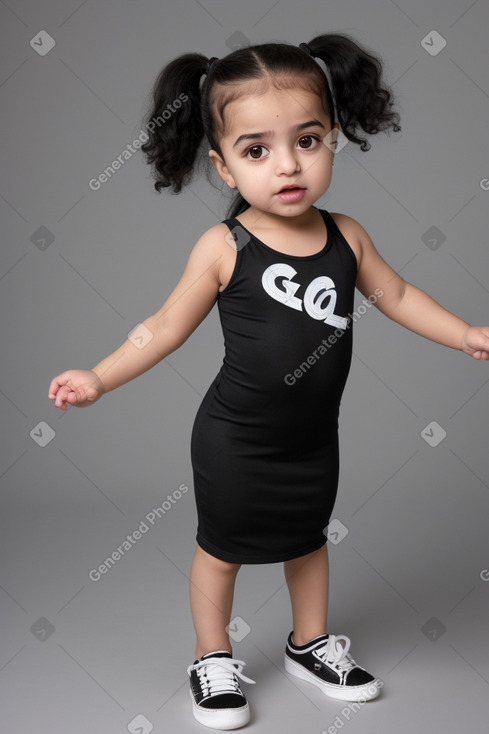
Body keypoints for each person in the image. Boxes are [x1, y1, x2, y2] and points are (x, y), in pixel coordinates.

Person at [48, 33, 489, 731]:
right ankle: (210, 656)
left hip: (312, 438)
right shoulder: (225, 247)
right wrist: (98, 377)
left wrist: (464, 331)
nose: (287, 165)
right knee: (221, 551)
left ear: (334, 138)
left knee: (309, 539)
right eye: (256, 150)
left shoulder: (347, 235)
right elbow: (163, 327)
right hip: (236, 438)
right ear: (222, 166)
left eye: (307, 140)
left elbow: (398, 296)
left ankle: (307, 644)